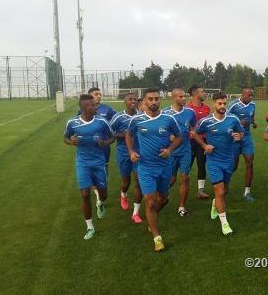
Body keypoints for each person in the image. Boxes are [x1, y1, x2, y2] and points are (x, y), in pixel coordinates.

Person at [126, 89, 182, 252]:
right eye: (150, 99)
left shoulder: (168, 119)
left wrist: (170, 150)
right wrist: (131, 152)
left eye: (156, 99)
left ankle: (152, 218)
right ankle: (157, 238)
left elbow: (179, 137)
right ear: (144, 101)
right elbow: (128, 136)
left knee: (163, 199)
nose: (154, 102)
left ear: (160, 100)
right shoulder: (137, 120)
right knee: (150, 201)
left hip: (164, 166)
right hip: (145, 167)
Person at [64, 94, 114, 240]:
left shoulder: (102, 122)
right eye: (92, 105)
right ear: (84, 108)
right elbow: (65, 137)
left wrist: (105, 143)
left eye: (95, 104)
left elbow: (111, 137)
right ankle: (90, 227)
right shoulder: (73, 123)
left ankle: (100, 203)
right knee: (85, 194)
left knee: (104, 194)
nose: (95, 106)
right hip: (82, 163)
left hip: (99, 162)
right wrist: (71, 142)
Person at [194, 92, 243, 236]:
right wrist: (204, 146)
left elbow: (241, 133)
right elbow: (194, 133)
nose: (222, 106)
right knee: (220, 191)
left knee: (224, 191)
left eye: (224, 103)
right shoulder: (206, 121)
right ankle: (225, 224)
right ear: (214, 104)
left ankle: (215, 204)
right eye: (219, 103)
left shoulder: (233, 119)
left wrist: (239, 136)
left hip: (228, 159)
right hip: (213, 160)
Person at [109, 92, 143, 223]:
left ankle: (135, 213)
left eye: (135, 99)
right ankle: (123, 194)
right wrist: (123, 135)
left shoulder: (141, 116)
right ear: (125, 101)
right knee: (126, 181)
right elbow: (109, 133)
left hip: (138, 152)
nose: (133, 101)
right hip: (123, 152)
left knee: (138, 181)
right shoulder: (118, 117)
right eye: (130, 99)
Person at [163, 88, 197, 217]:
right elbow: (159, 131)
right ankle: (163, 194)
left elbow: (193, 125)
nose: (184, 99)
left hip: (185, 150)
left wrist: (193, 132)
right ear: (174, 98)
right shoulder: (165, 113)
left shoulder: (190, 112)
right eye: (181, 97)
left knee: (185, 177)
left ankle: (181, 207)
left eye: (185, 96)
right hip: (170, 151)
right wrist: (168, 137)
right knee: (171, 179)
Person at [227, 87, 258, 202]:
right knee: (233, 165)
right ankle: (225, 183)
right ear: (242, 94)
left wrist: (253, 122)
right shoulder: (233, 105)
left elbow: (251, 116)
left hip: (247, 137)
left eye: (252, 95)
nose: (250, 97)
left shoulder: (252, 105)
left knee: (250, 163)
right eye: (248, 95)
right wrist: (239, 123)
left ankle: (247, 192)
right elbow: (225, 120)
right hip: (234, 137)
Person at [187, 85, 211, 199]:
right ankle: (183, 184)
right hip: (190, 142)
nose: (205, 93)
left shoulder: (207, 108)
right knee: (187, 165)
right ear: (195, 94)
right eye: (203, 91)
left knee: (202, 165)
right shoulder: (187, 108)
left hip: (203, 141)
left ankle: (200, 191)